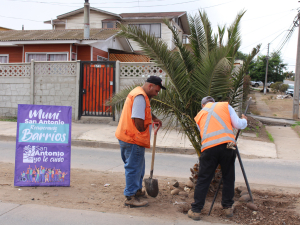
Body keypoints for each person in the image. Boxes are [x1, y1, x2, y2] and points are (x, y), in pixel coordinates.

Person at [188, 96, 247, 221]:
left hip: (209, 148)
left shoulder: (200, 115)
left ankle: (196, 210)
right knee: (228, 177)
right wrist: (244, 120)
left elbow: (203, 133)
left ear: (203, 105)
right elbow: (238, 124)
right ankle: (227, 208)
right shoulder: (225, 106)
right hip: (228, 146)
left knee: (203, 179)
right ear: (213, 102)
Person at [115, 76, 166, 208]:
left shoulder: (140, 94)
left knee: (138, 167)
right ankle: (130, 197)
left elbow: (145, 111)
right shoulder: (140, 97)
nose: (156, 94)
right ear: (150, 86)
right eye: (156, 91)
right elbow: (138, 118)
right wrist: (143, 130)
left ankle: (137, 190)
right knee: (133, 167)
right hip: (133, 139)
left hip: (129, 137)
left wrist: (154, 119)